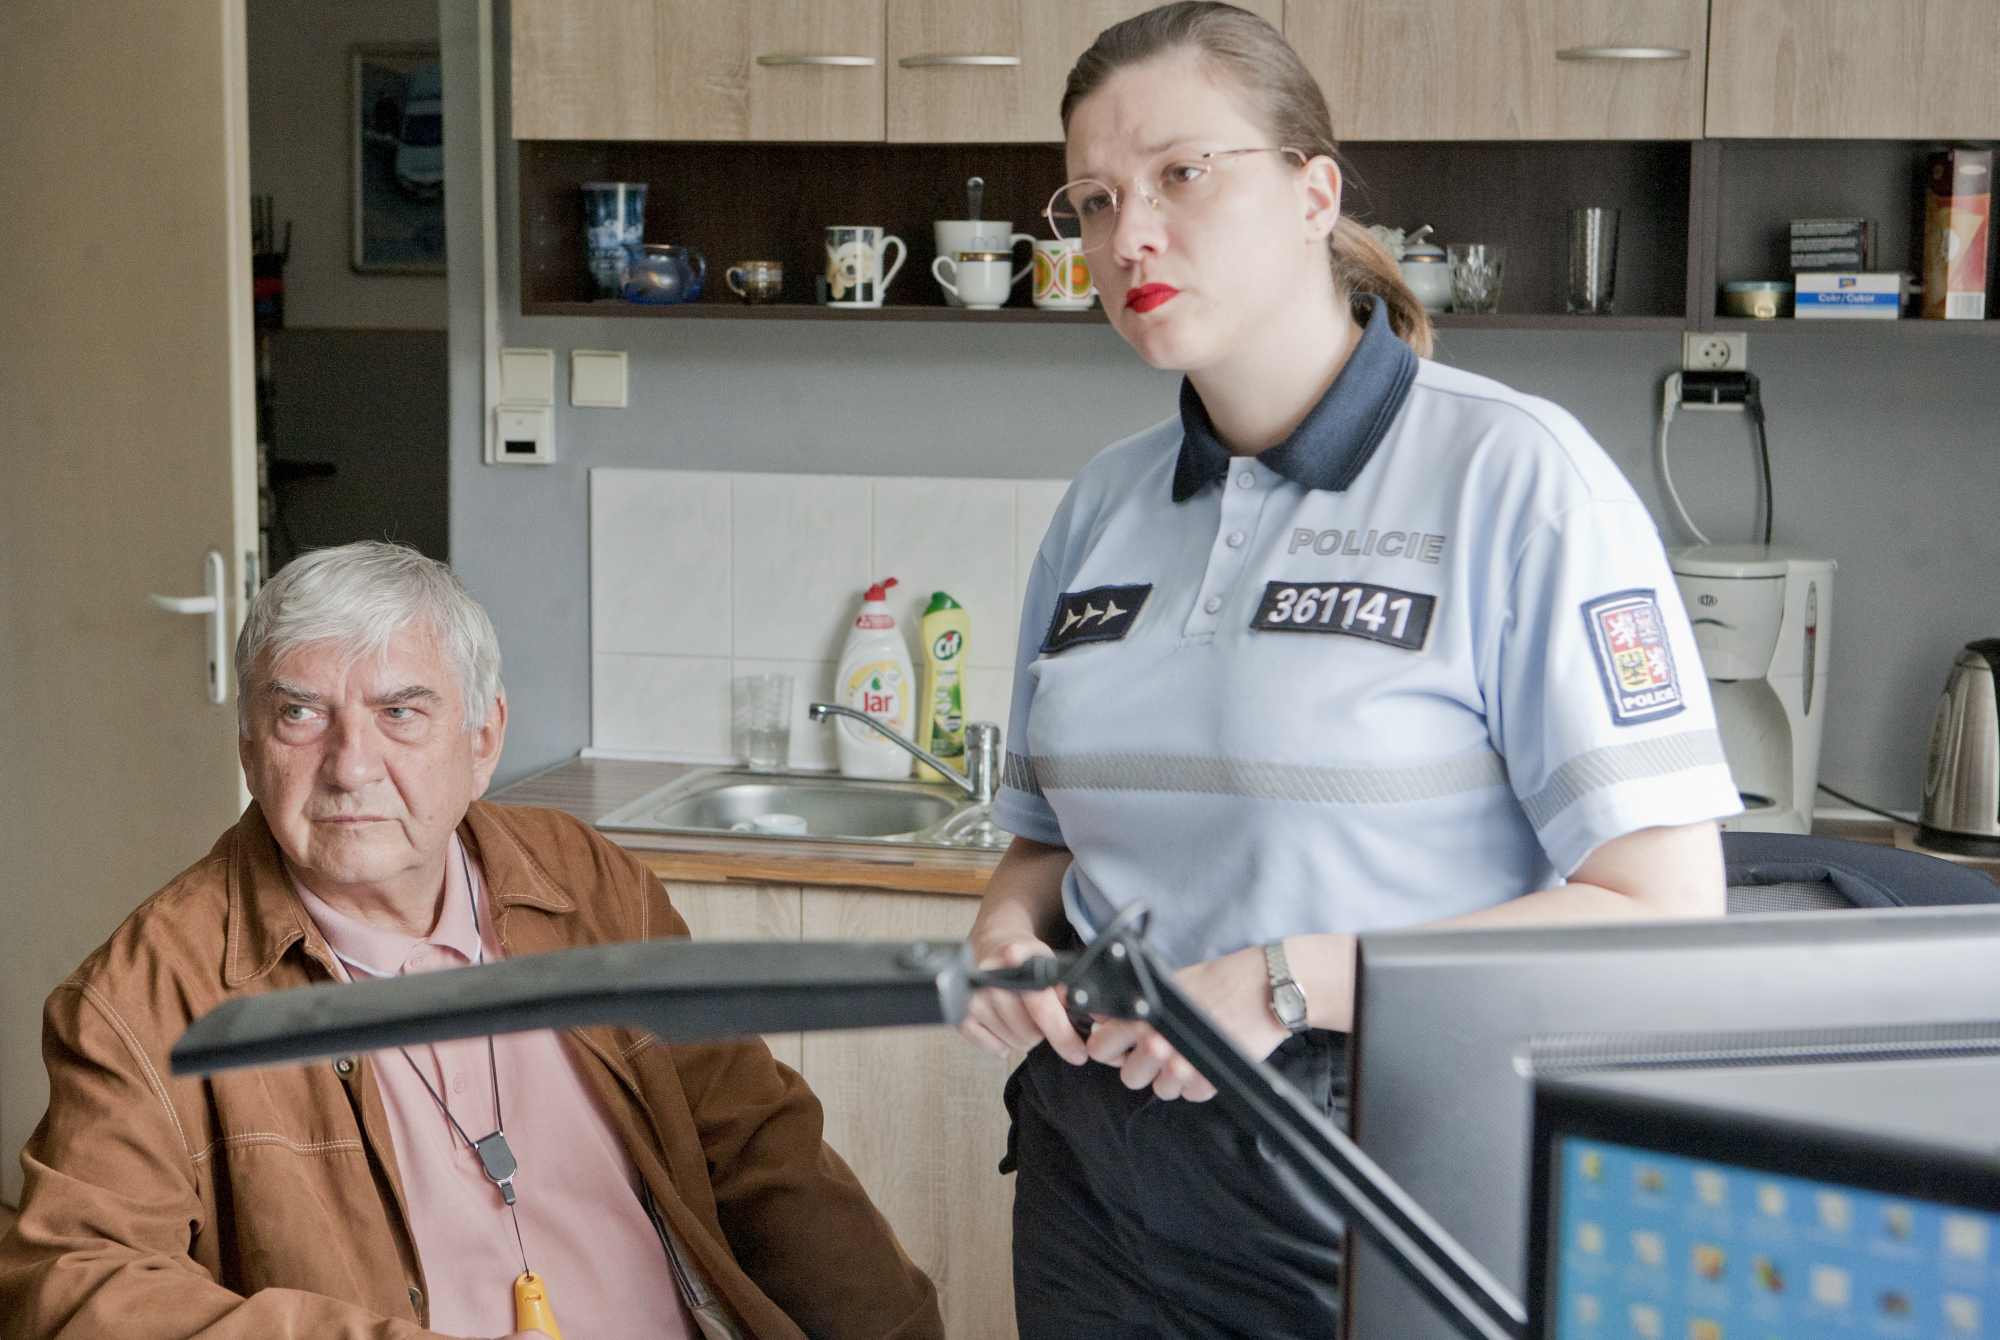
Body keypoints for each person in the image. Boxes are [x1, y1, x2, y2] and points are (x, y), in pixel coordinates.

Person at [958, 5, 1741, 1336]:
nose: (1127, 235)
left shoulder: (1516, 477)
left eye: (1180, 174)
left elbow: (1660, 915)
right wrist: (1005, 932)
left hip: (1368, 1169)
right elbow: (1045, 844)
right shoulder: (1102, 506)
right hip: (1094, 1176)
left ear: (1314, 193)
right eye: (1093, 200)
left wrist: (1287, 977)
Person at [0, 541, 943, 1340]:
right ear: (250, 746)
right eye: (300, 714)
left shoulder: (588, 884)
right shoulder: (142, 997)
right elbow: (75, 1282)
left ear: (483, 740)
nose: (351, 766)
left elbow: (764, 1149)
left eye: (400, 713)